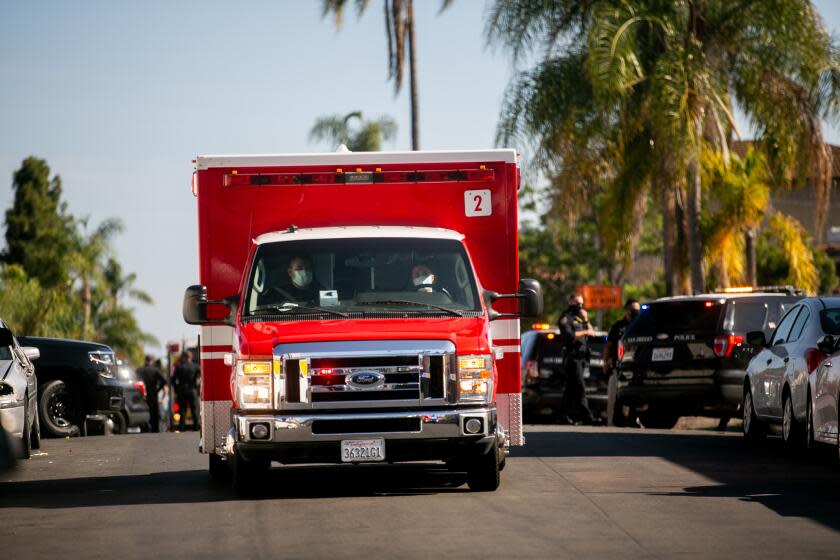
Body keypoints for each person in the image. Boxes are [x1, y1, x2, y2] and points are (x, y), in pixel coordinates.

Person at [557, 293, 597, 425]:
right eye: (577, 303)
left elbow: (592, 332)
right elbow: (570, 336)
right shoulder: (565, 318)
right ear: (570, 302)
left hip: (582, 358)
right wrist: (585, 332)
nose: (579, 306)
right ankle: (588, 417)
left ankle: (562, 415)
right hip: (572, 358)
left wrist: (586, 320)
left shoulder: (580, 318)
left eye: (581, 304)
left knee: (570, 389)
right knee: (580, 388)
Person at [605, 299, 641, 427]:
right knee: (615, 396)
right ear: (627, 311)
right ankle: (613, 422)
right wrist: (606, 362)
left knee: (634, 396)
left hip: (635, 367)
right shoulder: (618, 326)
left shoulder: (641, 326)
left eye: (638, 310)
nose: (636, 313)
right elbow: (608, 346)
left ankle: (632, 420)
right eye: (633, 310)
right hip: (618, 367)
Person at [136, 355, 166, 433]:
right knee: (154, 413)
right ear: (151, 361)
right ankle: (154, 430)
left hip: (142, 395)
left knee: (144, 411)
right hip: (153, 394)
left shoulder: (139, 370)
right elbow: (164, 381)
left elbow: (135, 381)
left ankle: (144, 429)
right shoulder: (156, 370)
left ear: (145, 360)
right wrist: (158, 390)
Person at [172, 351, 200, 431]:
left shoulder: (179, 367)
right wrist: (197, 387)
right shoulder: (195, 366)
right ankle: (196, 427)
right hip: (192, 390)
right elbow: (201, 376)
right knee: (194, 409)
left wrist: (177, 389)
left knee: (182, 409)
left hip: (182, 390)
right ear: (190, 357)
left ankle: (182, 426)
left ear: (184, 357)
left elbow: (173, 380)